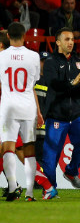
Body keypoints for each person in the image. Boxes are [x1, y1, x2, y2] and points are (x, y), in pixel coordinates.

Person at [41, 27, 80, 190]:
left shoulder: (79, 62)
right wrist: (72, 83)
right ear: (58, 42)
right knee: (51, 155)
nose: (70, 43)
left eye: (72, 40)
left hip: (76, 115)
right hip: (56, 115)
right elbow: (53, 84)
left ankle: (70, 171)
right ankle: (50, 188)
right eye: (67, 39)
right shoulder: (50, 63)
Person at [0, 23, 43, 201]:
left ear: (8, 36)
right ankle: (30, 192)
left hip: (8, 105)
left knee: (8, 148)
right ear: (25, 36)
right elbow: (33, 82)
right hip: (27, 106)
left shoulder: (1, 56)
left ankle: (11, 186)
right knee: (28, 148)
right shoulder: (33, 56)